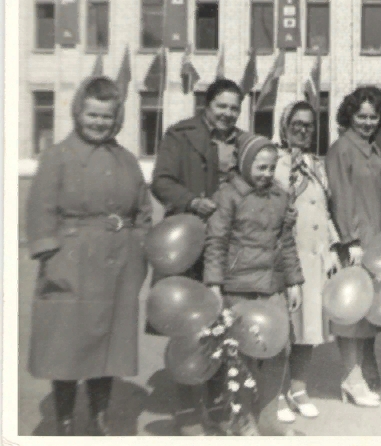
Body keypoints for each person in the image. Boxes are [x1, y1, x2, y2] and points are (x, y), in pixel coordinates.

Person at [26, 76, 152, 435]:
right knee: (65, 349)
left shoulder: (127, 160)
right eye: (92, 114)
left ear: (117, 118)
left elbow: (143, 213)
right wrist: (53, 262)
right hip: (71, 267)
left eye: (106, 116)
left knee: (107, 348)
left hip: (117, 269)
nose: (99, 123)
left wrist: (135, 249)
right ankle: (65, 423)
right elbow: (40, 212)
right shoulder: (57, 156)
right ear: (78, 112)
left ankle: (100, 419)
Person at [151, 78, 245, 435]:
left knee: (223, 324)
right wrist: (191, 201)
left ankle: (219, 408)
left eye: (234, 108)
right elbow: (161, 181)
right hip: (189, 245)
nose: (228, 113)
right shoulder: (180, 135)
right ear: (207, 105)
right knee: (189, 326)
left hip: (228, 245)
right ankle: (189, 411)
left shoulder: (243, 141)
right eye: (222, 106)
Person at [204, 133, 305, 436]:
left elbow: (286, 244)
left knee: (278, 348)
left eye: (271, 168)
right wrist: (214, 284)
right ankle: (242, 417)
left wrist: (294, 282)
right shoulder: (228, 195)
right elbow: (216, 242)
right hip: (238, 287)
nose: (266, 174)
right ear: (246, 164)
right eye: (261, 167)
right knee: (242, 354)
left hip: (271, 286)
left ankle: (268, 417)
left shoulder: (280, 196)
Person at [273, 101, 340, 423]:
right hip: (287, 254)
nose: (302, 130)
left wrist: (333, 246)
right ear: (284, 127)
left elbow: (324, 209)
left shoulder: (317, 164)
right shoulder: (274, 161)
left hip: (316, 255)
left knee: (309, 325)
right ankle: (274, 391)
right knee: (284, 326)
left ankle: (298, 388)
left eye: (308, 125)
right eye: (296, 124)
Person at [326, 86, 381, 407]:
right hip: (356, 242)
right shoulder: (342, 149)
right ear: (349, 116)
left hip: (374, 240)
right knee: (350, 313)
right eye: (361, 116)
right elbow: (341, 195)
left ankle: (357, 374)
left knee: (365, 311)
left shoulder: (372, 149)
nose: (367, 122)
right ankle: (352, 378)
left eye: (373, 117)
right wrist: (350, 241)